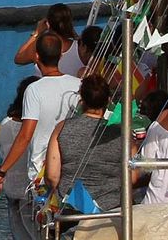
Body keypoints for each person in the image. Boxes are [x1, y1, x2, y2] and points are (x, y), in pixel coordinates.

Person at [0, 33, 82, 201]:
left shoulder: (34, 90)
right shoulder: (78, 84)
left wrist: (2, 171)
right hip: (72, 166)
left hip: (42, 172)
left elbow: (25, 136)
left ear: (37, 56)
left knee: (45, 220)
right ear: (61, 55)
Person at [45, 73, 126, 212]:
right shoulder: (121, 133)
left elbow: (52, 176)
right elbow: (133, 176)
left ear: (81, 99)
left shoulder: (62, 128)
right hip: (112, 211)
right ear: (108, 100)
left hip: (72, 210)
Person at [0, 76, 43, 240]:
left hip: (12, 188)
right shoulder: (39, 127)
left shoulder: (6, 124)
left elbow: (3, 152)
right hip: (30, 193)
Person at [14, 3, 84, 75]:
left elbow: (19, 58)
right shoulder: (81, 48)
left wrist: (37, 33)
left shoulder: (41, 46)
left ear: (48, 23)